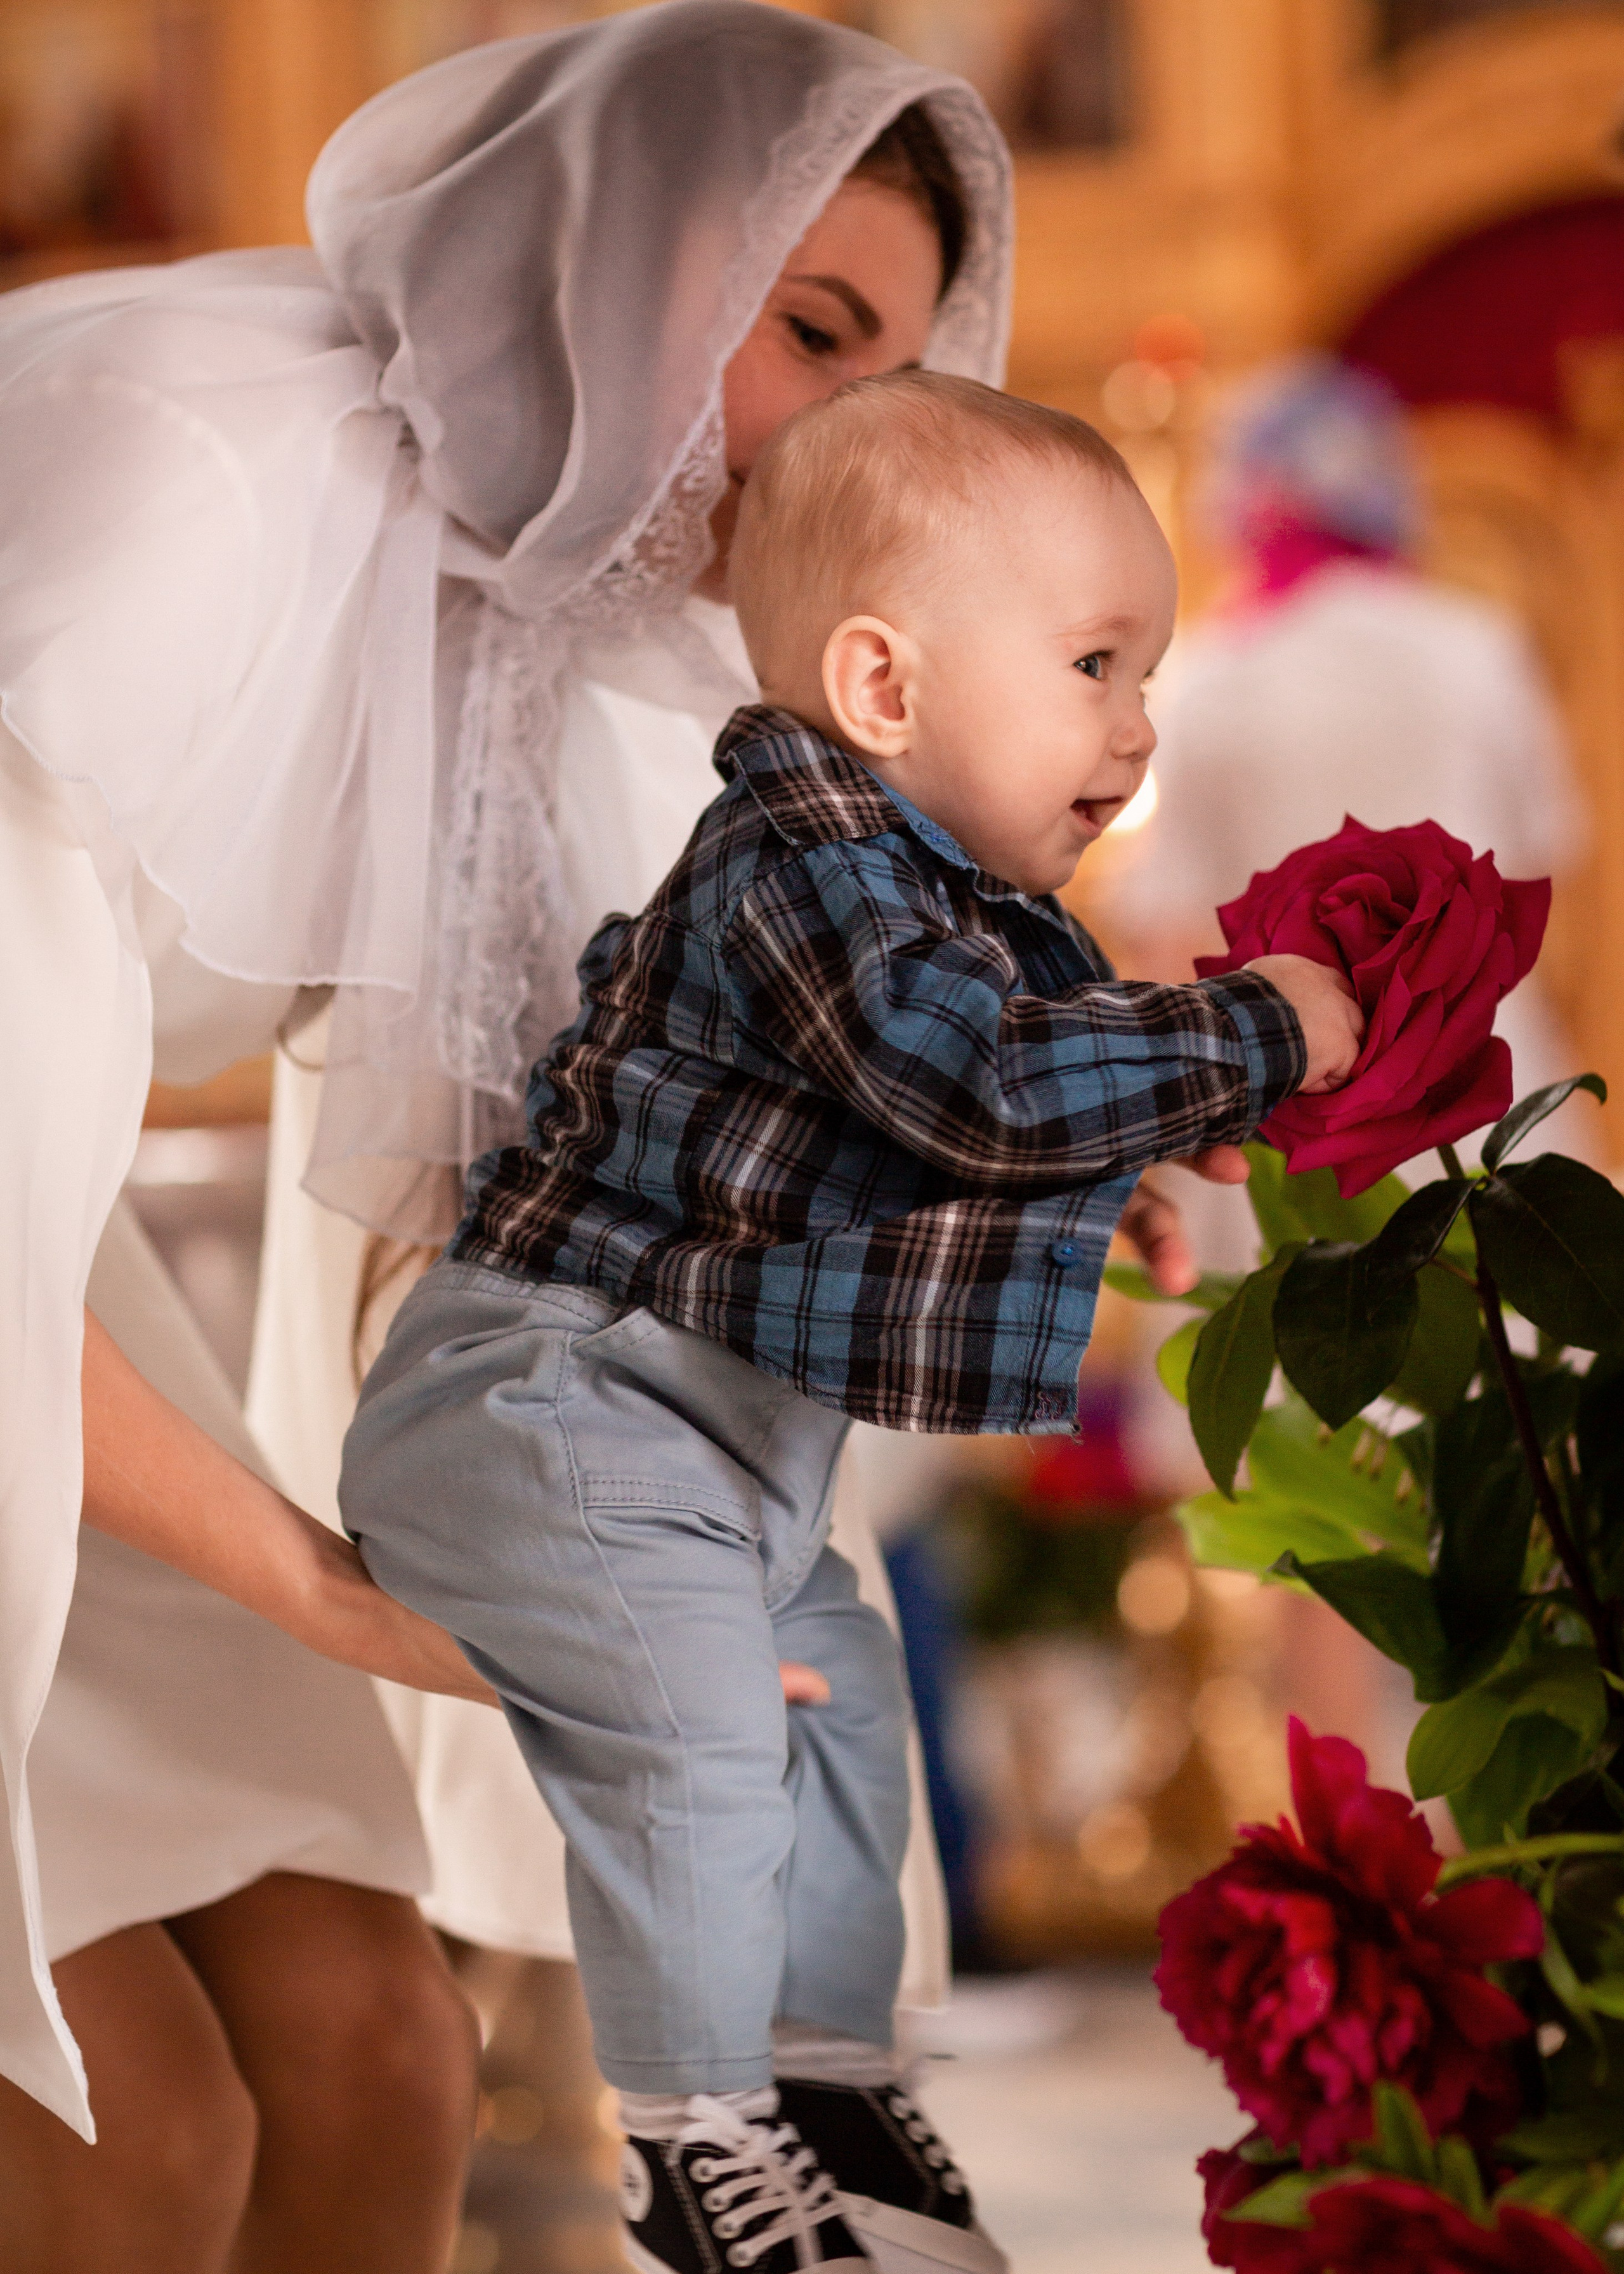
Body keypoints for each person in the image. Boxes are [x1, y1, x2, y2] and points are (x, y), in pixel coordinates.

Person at [0, 10, 1023, 2262]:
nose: (852, 435)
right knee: (128, 2126)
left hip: (40, 1316)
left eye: (900, 374)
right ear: (633, 258)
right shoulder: (180, 469)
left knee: (385, 2049)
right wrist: (315, 1585)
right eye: (812, 326)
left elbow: (583, 1202)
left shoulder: (570, 643)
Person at [339, 371, 1362, 2274]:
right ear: (886, 690)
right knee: (710, 1739)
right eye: (1096, 664)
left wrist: (1098, 1170)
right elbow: (958, 1081)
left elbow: (888, 1138)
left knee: (844, 1724)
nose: (1139, 729)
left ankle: (817, 2088)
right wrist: (1257, 1035)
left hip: (694, 1437)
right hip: (543, 1392)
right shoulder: (798, 854)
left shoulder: (932, 896)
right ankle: (692, 2133)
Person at [1109, 352, 1594, 1211]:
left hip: (1289, 1104)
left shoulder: (1212, 676)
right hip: (1484, 1077)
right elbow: (1542, 858)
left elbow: (1169, 925)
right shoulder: (1475, 645)